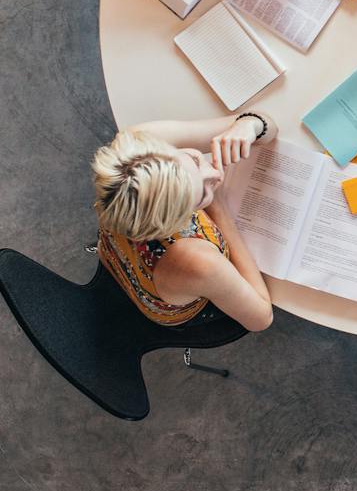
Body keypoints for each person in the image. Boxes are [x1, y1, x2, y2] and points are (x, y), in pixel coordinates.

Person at [92, 111, 277, 330]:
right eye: (201, 196)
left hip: (116, 253)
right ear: (177, 222)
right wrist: (218, 208)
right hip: (171, 303)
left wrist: (249, 126)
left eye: (194, 159)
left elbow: (267, 125)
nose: (215, 175)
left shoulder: (139, 144)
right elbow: (262, 318)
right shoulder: (198, 261)